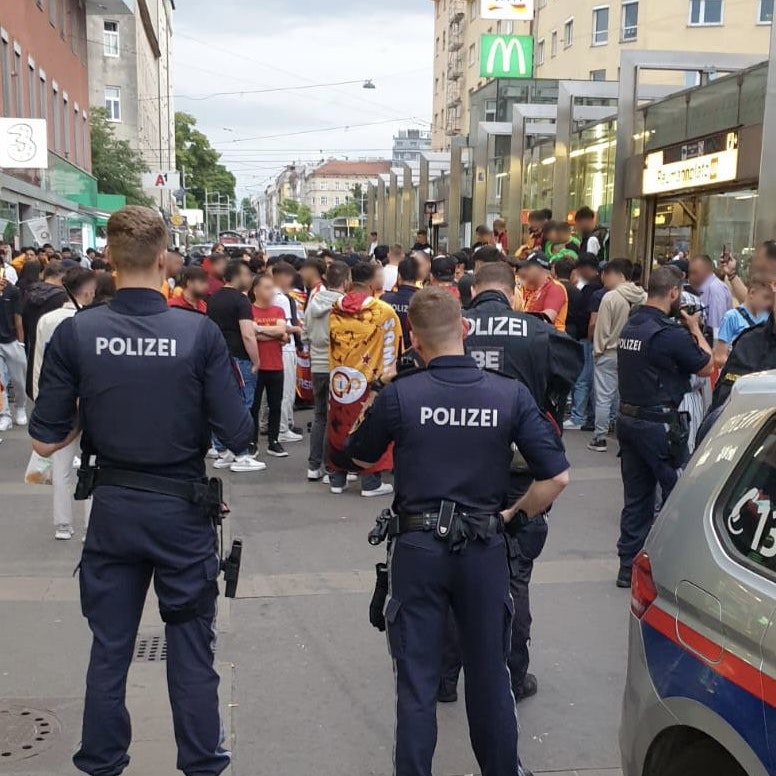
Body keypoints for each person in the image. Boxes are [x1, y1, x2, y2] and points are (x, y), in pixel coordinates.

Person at [28, 205, 254, 776]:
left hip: (115, 508)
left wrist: (87, 412)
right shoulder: (197, 332)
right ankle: (202, 763)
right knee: (190, 647)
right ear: (163, 261)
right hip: (181, 510)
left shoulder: (78, 333)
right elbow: (238, 433)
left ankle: (102, 762)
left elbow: (46, 440)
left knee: (110, 647)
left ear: (108, 259)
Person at [347, 286, 570, 776]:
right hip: (483, 545)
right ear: (464, 329)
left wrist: (384, 387)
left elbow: (359, 456)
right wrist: (513, 516)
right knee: (490, 677)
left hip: (418, 548)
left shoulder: (402, 394)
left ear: (412, 336)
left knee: (417, 683)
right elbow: (556, 476)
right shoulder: (507, 393)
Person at [436, 262, 581, 704]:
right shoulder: (536, 331)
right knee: (515, 572)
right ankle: (514, 676)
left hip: (458, 466)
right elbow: (569, 371)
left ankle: (445, 679)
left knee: (453, 570)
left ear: (473, 289)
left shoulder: (453, 327)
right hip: (520, 464)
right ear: (514, 290)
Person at [616, 266, 713, 587]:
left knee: (637, 500)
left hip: (628, 421)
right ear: (674, 293)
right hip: (659, 425)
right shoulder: (669, 333)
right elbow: (706, 363)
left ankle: (627, 569)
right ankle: (675, 569)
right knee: (678, 496)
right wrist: (694, 328)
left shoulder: (632, 326)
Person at [31, 267, 97, 540]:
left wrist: (39, 398)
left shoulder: (47, 320)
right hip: (90, 400)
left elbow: (38, 363)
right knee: (93, 463)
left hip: (57, 398)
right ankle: (91, 525)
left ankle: (63, 524)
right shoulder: (93, 322)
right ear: (87, 291)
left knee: (61, 465)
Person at [327, 261, 400, 497]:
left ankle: (337, 478)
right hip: (369, 380)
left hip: (340, 376)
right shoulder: (383, 311)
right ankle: (371, 481)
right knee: (371, 427)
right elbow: (392, 349)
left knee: (338, 423)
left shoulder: (335, 307)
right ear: (372, 282)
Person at [207, 260, 266, 472]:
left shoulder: (213, 299)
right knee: (244, 404)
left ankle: (223, 450)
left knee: (221, 402)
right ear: (237, 276)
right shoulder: (241, 300)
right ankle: (242, 453)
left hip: (217, 357)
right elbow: (248, 334)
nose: (250, 279)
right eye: (247, 275)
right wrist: (256, 360)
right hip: (239, 358)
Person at [589, 259, 646, 453]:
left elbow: (602, 329)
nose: (605, 278)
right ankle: (625, 440)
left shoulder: (610, 298)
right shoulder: (643, 296)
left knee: (604, 397)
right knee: (626, 398)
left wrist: (598, 351)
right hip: (634, 353)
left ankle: (600, 437)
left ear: (619, 275)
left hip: (610, 352)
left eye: (608, 274)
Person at [304, 261, 350, 481]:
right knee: (337, 418)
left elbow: (305, 333)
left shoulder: (313, 301)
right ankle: (331, 466)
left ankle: (314, 466)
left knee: (320, 415)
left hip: (317, 365)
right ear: (346, 281)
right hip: (338, 365)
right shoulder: (344, 305)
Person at [249, 273, 290, 458]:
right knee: (253, 407)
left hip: (276, 365)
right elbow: (250, 335)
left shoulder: (278, 311)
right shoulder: (248, 310)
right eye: (266, 287)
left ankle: (273, 441)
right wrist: (272, 334)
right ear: (255, 290)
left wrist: (259, 329)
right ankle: (251, 442)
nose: (271, 291)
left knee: (275, 404)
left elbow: (282, 330)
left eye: (271, 287)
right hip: (256, 366)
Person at [564, 254, 602, 431]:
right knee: (596, 382)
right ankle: (593, 416)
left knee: (582, 379)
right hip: (601, 341)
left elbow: (589, 319)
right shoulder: (602, 289)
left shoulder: (590, 291)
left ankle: (578, 416)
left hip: (587, 338)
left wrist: (587, 335)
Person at [22, 261, 68, 400]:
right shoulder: (61, 297)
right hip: (53, 344)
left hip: (32, 338)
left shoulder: (28, 292)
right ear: (60, 277)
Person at [270, 261, 304, 442]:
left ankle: (279, 425)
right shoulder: (281, 298)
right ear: (282, 277)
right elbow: (286, 326)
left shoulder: (269, 294)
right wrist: (299, 330)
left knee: (280, 390)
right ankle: (282, 429)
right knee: (286, 390)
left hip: (279, 347)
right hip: (286, 347)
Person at [713, 277, 774, 368]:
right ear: (752, 293)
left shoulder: (768, 317)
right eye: (765, 297)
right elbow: (719, 357)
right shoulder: (731, 317)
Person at [515, 251, 568, 332]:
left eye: (528, 268)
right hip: (535, 336)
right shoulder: (529, 289)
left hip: (553, 339)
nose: (524, 271)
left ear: (540, 268)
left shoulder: (555, 288)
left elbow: (547, 318)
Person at [0, 269, 26, 431]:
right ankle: (4, 414)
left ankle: (21, 406)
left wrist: (21, 342)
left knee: (19, 380)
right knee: (0, 381)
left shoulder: (13, 290)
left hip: (11, 341)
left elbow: (18, 319)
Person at [382, 256, 420, 350]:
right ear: (418, 276)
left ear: (399, 275)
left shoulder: (384, 300)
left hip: (388, 354)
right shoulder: (424, 301)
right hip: (415, 355)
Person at [688, 254, 732, 334]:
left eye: (695, 272)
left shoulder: (715, 291)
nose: (691, 277)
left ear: (707, 271)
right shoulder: (705, 289)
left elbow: (716, 330)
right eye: (690, 273)